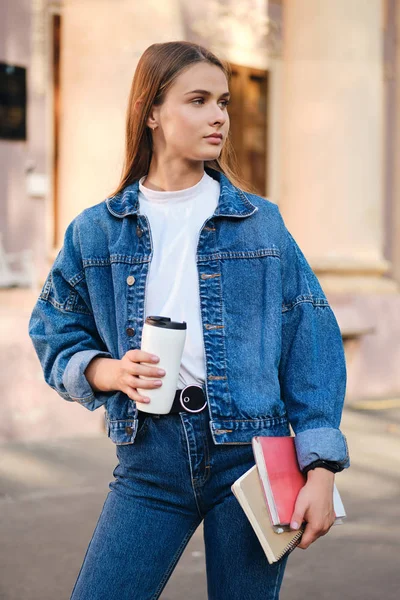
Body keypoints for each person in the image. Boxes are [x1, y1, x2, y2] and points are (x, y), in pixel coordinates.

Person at [28, 41, 350, 600]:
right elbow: (54, 328)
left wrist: (319, 468)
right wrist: (107, 372)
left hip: (251, 456)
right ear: (152, 111)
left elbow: (310, 340)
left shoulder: (259, 223)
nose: (219, 116)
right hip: (149, 457)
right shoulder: (97, 231)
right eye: (198, 100)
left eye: (222, 101)